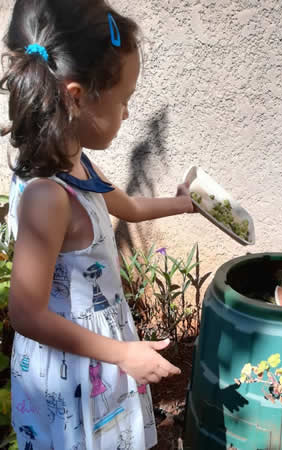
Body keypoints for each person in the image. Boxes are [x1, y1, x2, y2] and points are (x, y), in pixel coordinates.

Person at [0, 0, 194, 448]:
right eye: (124, 100)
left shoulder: (77, 162)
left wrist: (183, 205)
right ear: (75, 96)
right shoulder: (48, 196)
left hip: (98, 349)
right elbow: (25, 313)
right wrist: (124, 355)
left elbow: (125, 207)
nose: (127, 114)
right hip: (70, 369)